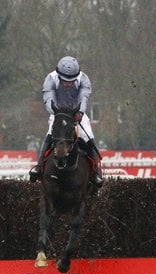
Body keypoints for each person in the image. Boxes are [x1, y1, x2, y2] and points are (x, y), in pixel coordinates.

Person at [28, 56, 103, 186]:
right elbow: (49, 99)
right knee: (50, 135)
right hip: (58, 113)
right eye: (65, 80)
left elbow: (83, 98)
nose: (68, 83)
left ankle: (95, 172)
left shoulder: (84, 79)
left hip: (77, 114)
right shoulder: (50, 79)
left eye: (71, 81)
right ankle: (39, 167)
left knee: (89, 137)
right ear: (59, 75)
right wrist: (57, 112)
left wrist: (79, 113)